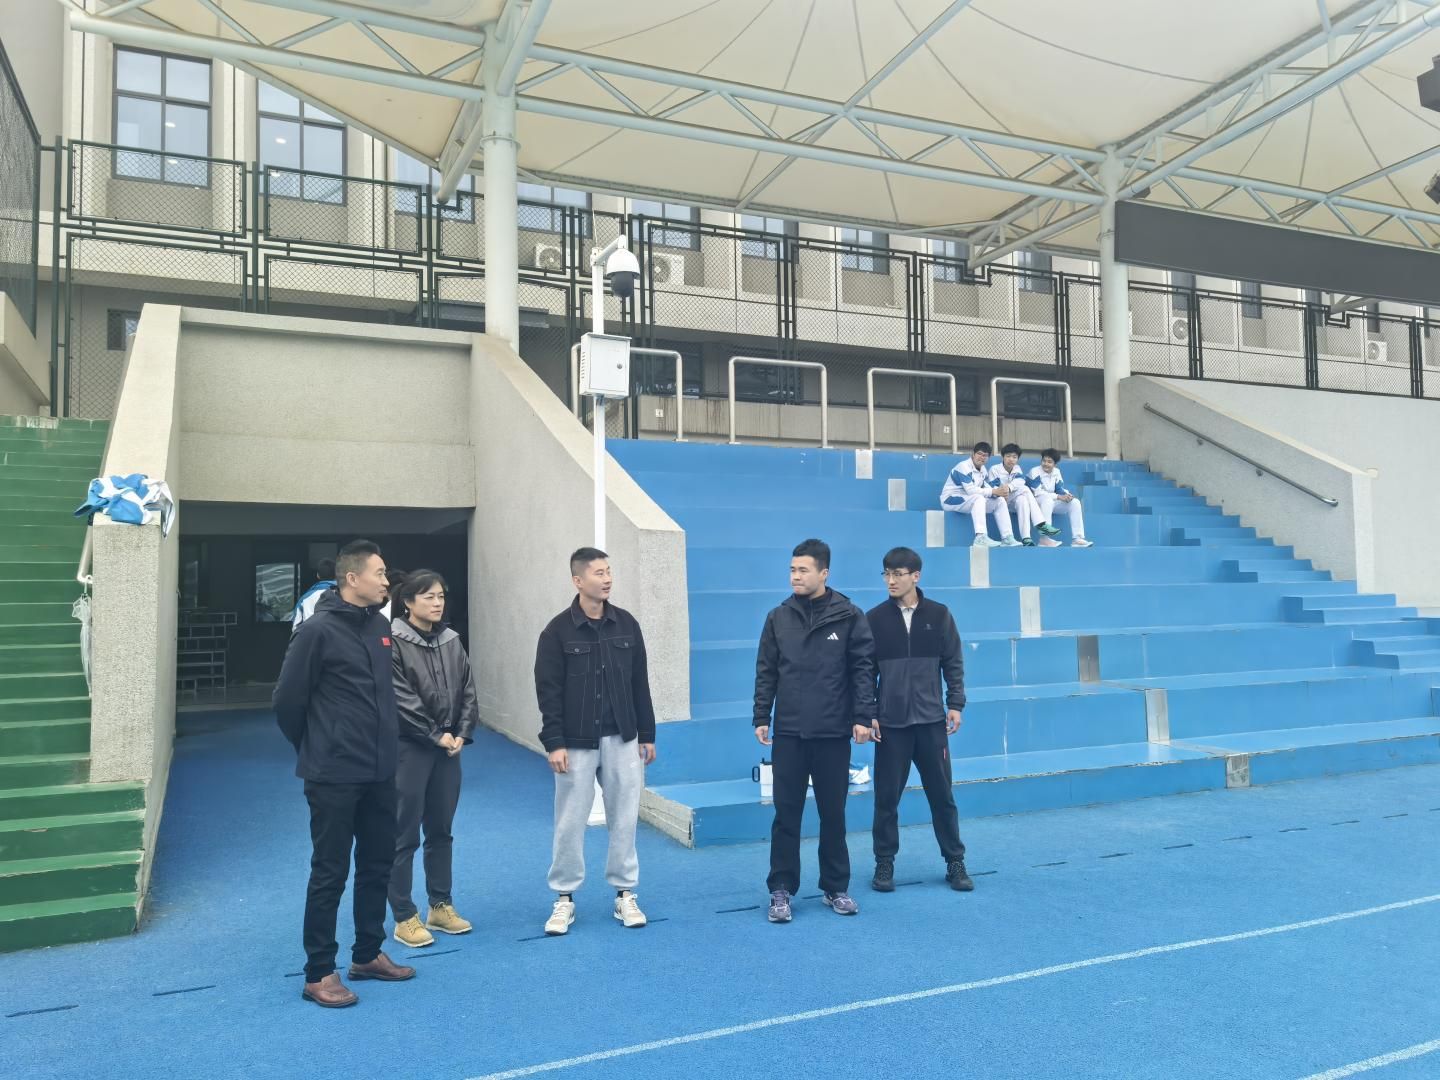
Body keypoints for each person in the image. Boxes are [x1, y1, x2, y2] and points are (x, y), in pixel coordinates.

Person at [272, 539, 415, 1009]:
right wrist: (317, 745)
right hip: (333, 773)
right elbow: (287, 702)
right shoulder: (316, 631)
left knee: (377, 864)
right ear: (352, 579)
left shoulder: (379, 626)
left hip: (380, 771)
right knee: (330, 871)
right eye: (380, 573)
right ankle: (319, 972)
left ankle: (368, 954)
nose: (387, 580)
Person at [534, 547, 657, 937]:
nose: (607, 579)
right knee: (570, 820)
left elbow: (640, 683)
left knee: (625, 816)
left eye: (609, 572)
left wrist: (647, 734)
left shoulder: (627, 624)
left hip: (623, 737)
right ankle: (564, 898)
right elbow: (548, 691)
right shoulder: (556, 631)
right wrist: (554, 742)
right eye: (599, 573)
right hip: (575, 741)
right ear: (578, 580)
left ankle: (625, 893)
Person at [754, 538, 877, 923]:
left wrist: (863, 716)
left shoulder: (849, 616)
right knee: (785, 815)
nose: (795, 576)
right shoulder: (778, 617)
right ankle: (781, 889)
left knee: (833, 814)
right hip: (789, 733)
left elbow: (862, 670)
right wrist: (762, 715)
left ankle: (835, 887)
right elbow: (766, 671)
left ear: (824, 573)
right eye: (792, 569)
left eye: (803, 570)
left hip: (832, 733)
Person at [866, 548, 973, 893]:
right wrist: (870, 713)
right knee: (886, 800)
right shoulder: (874, 619)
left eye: (898, 574)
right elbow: (865, 672)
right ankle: (884, 862)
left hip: (931, 723)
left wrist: (955, 703)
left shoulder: (939, 615)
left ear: (916, 576)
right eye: (886, 574)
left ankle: (955, 861)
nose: (891, 580)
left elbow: (953, 662)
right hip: (891, 725)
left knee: (942, 797)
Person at [387, 569, 479, 949]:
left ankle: (440, 906)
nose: (438, 603)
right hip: (410, 749)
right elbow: (399, 697)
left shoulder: (452, 640)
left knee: (441, 830)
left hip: (448, 748)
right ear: (408, 602)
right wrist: (433, 734)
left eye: (441, 596)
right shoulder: (392, 641)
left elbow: (468, 689)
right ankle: (403, 915)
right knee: (404, 833)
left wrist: (461, 733)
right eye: (429, 597)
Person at [939, 441, 1022, 548]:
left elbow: (985, 487)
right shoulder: (963, 467)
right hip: (950, 500)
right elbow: (971, 490)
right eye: (979, 454)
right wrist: (993, 491)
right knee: (979, 498)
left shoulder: (983, 470)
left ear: (988, 458)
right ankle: (980, 537)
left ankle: (1007, 538)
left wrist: (999, 493)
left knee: (1000, 501)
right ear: (973, 454)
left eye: (985, 455)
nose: (982, 457)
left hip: (969, 501)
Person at [990, 443, 1062, 548]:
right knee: (1025, 489)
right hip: (999, 500)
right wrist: (1005, 490)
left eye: (1014, 457)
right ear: (1003, 457)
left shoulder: (1017, 468)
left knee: (1022, 500)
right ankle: (1041, 524)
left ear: (1018, 459)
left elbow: (1020, 481)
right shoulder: (994, 469)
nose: (1011, 459)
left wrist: (1008, 487)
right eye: (1008, 456)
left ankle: (1026, 538)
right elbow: (994, 488)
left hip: (1012, 500)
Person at [1029, 448, 1094, 547]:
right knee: (1047, 501)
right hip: (1035, 502)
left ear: (1055, 464)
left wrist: (1067, 495)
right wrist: (1059, 496)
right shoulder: (1034, 471)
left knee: (1075, 502)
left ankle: (1077, 539)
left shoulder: (1056, 472)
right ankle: (1044, 539)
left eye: (1049, 462)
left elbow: (1059, 488)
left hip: (1050, 501)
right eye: (1044, 461)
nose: (1046, 464)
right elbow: (1038, 492)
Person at [292, 558, 336, 630]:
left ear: (317, 575)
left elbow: (295, 627)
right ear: (336, 575)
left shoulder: (304, 599)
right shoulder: (346, 595)